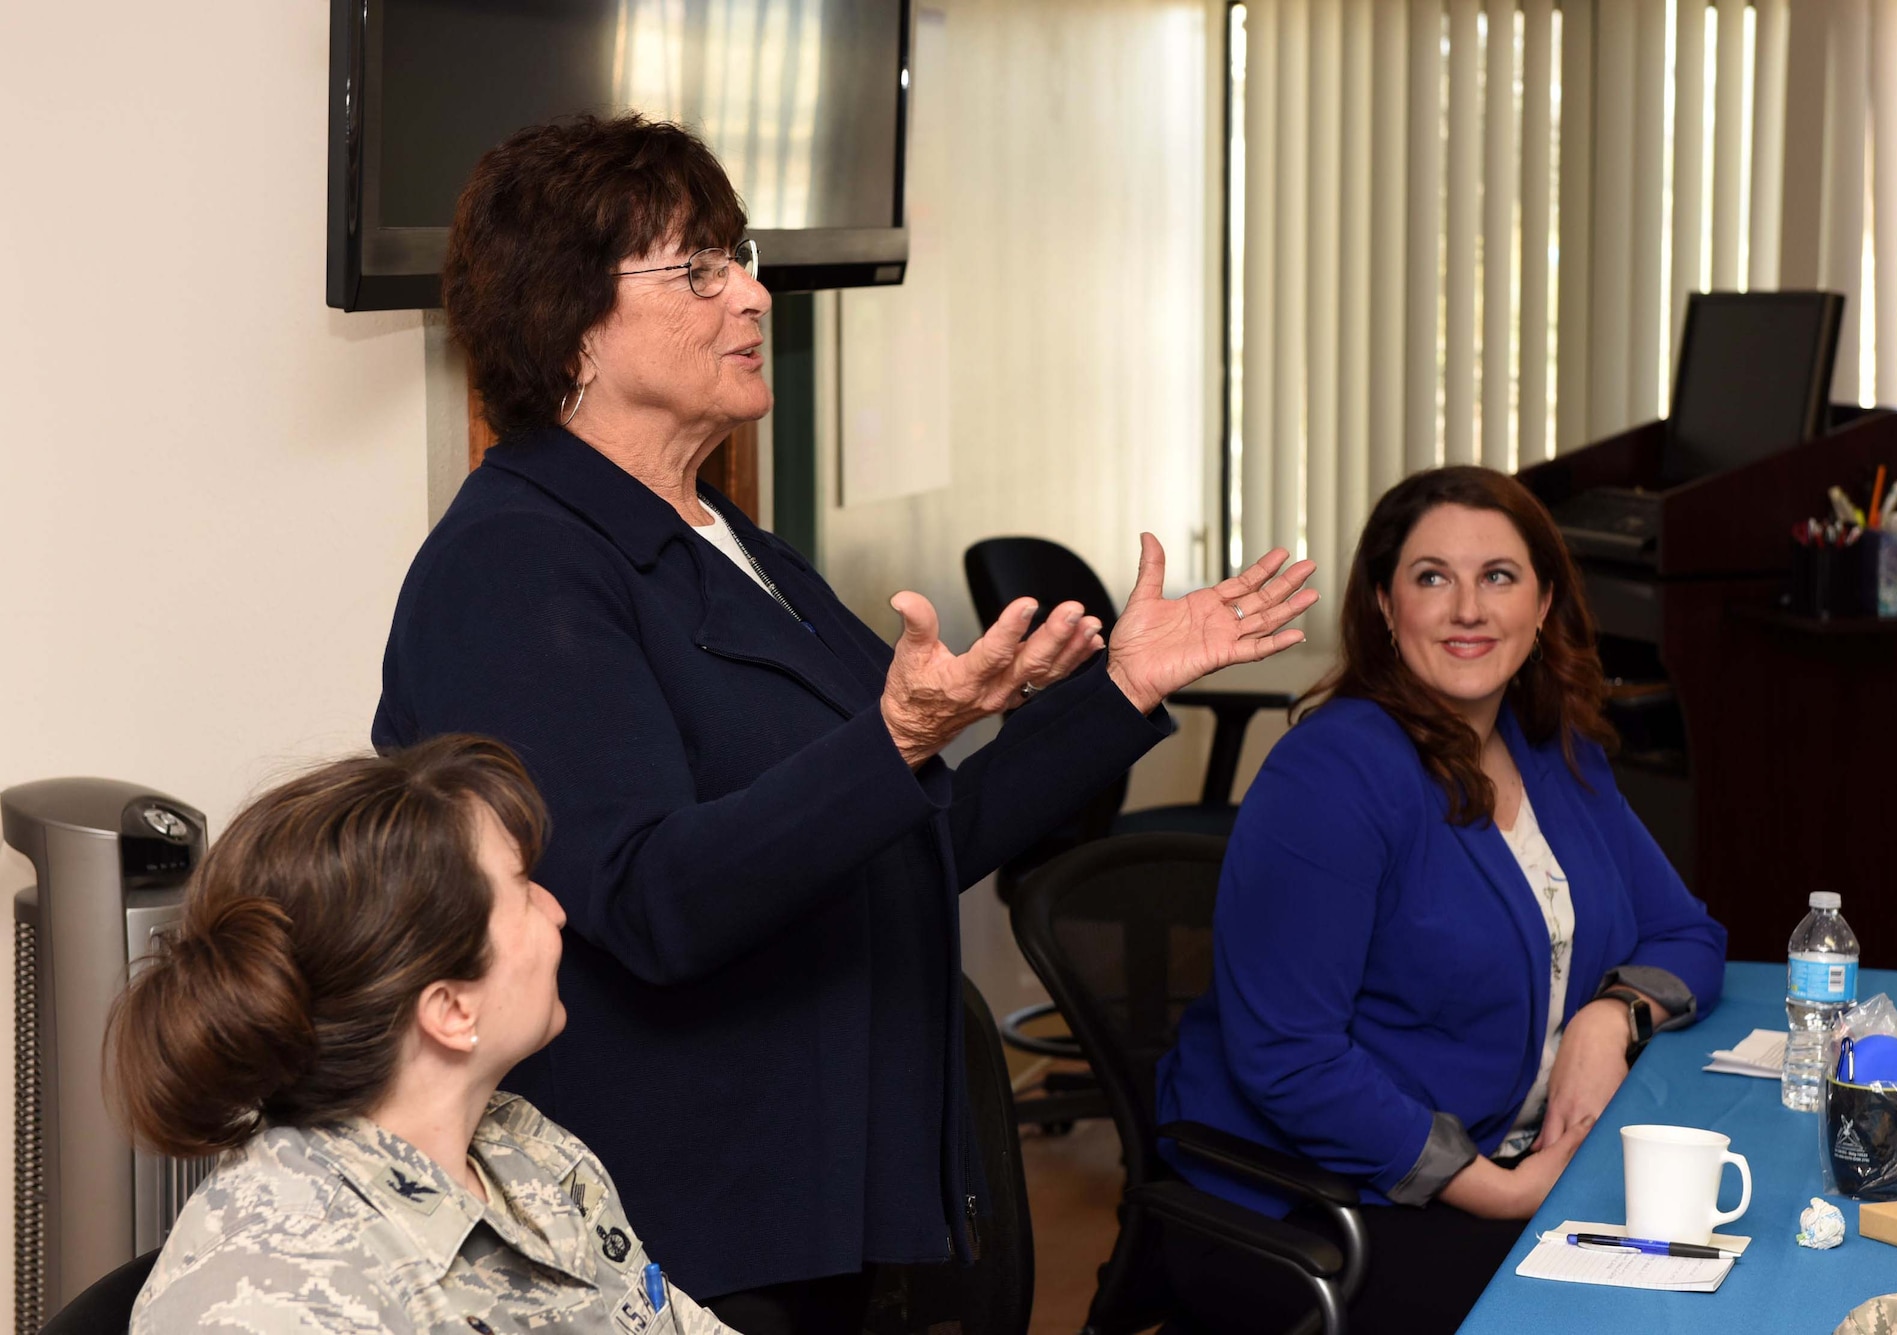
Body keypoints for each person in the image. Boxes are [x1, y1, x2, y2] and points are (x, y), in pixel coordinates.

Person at [372, 113, 1316, 1333]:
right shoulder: (513, 567)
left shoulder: (731, 543)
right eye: (698, 270)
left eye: (743, 257)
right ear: (571, 324)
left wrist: (1124, 686)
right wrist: (895, 743)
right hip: (681, 1227)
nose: (754, 297)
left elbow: (916, 836)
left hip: (838, 1198)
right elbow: (651, 902)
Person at [1154, 465, 1727, 1335]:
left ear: (1541, 607)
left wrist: (1608, 1018)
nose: (1468, 608)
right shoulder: (1333, 774)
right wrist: (1496, 1190)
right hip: (1319, 1204)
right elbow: (1290, 1056)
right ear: (1386, 606)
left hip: (1510, 1161)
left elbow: (1688, 932)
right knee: (1620, 1317)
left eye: (1498, 576)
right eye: (1433, 578)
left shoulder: (1555, 755)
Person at [116, 735, 738, 1334]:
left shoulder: (526, 1150)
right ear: (450, 1010)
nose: (556, 911)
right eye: (523, 890)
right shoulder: (277, 1296)